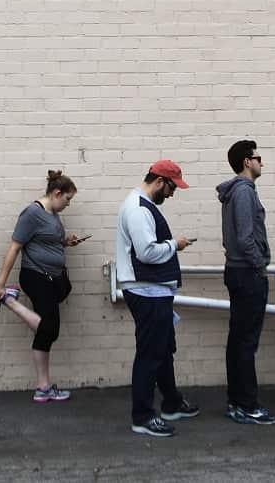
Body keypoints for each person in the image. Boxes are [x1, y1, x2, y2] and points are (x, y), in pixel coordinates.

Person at [0, 170, 87, 403]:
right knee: (49, 329)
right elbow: (14, 247)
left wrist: (66, 241)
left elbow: (47, 240)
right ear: (56, 193)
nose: (69, 204)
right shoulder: (32, 213)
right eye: (68, 199)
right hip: (36, 276)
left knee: (47, 331)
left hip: (52, 278)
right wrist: (1, 283)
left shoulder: (52, 214)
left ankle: (43, 388)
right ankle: (7, 298)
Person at [115, 160, 199, 438]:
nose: (173, 194)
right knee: (151, 355)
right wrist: (176, 244)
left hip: (152, 290)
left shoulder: (140, 205)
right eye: (173, 187)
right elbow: (147, 252)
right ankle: (142, 416)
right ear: (160, 181)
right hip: (146, 291)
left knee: (162, 351)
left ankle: (172, 402)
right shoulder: (139, 208)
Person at [217, 140, 275, 425]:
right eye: (258, 157)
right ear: (246, 162)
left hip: (238, 272)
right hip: (247, 274)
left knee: (238, 340)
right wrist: (260, 265)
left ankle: (237, 402)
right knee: (245, 342)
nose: (261, 162)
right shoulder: (243, 192)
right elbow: (244, 237)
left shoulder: (239, 192)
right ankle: (247, 405)